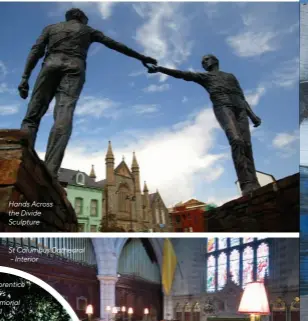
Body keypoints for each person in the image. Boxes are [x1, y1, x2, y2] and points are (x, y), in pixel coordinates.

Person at [18, 8, 157, 178]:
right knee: (64, 113)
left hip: (51, 64)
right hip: (75, 67)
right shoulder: (87, 30)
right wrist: (141, 57)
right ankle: (50, 171)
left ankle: (21, 159)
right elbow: (116, 45)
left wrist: (25, 77)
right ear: (81, 18)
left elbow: (36, 50)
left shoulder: (51, 28)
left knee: (33, 113)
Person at [145, 55, 261, 195]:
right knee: (236, 140)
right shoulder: (205, 77)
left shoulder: (230, 76)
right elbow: (183, 75)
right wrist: (160, 69)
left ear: (215, 60)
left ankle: (254, 182)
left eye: (206, 60)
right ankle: (246, 183)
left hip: (240, 109)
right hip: (223, 106)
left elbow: (241, 97)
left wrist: (252, 115)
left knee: (247, 145)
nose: (203, 63)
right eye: (202, 62)